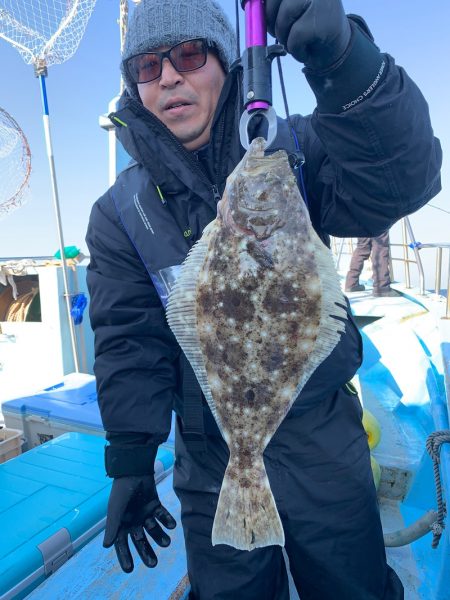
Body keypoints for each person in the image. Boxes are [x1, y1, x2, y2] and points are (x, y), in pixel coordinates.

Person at [85, 0, 442, 598]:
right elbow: (129, 342)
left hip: (321, 438)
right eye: (148, 66)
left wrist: (347, 66)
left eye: (190, 55)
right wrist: (131, 455)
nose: (169, 75)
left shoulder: (295, 149)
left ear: (226, 63)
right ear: (135, 86)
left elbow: (405, 177)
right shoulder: (120, 212)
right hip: (208, 456)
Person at [345, 230, 397, 297]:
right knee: (380, 248)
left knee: (362, 247)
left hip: (362, 220)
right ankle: (382, 287)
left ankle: (351, 283)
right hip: (378, 220)